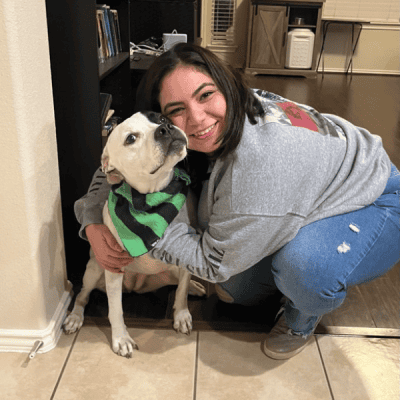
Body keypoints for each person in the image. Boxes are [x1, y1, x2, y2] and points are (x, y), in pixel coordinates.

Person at [75, 43, 400, 360]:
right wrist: (92, 220)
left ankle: (301, 319)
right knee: (235, 290)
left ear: (225, 83)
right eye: (175, 110)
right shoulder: (203, 121)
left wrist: (147, 227)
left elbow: (213, 265)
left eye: (205, 95)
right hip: (297, 190)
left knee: (303, 268)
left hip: (374, 198)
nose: (198, 117)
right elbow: (120, 161)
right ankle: (279, 239)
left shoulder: (256, 168)